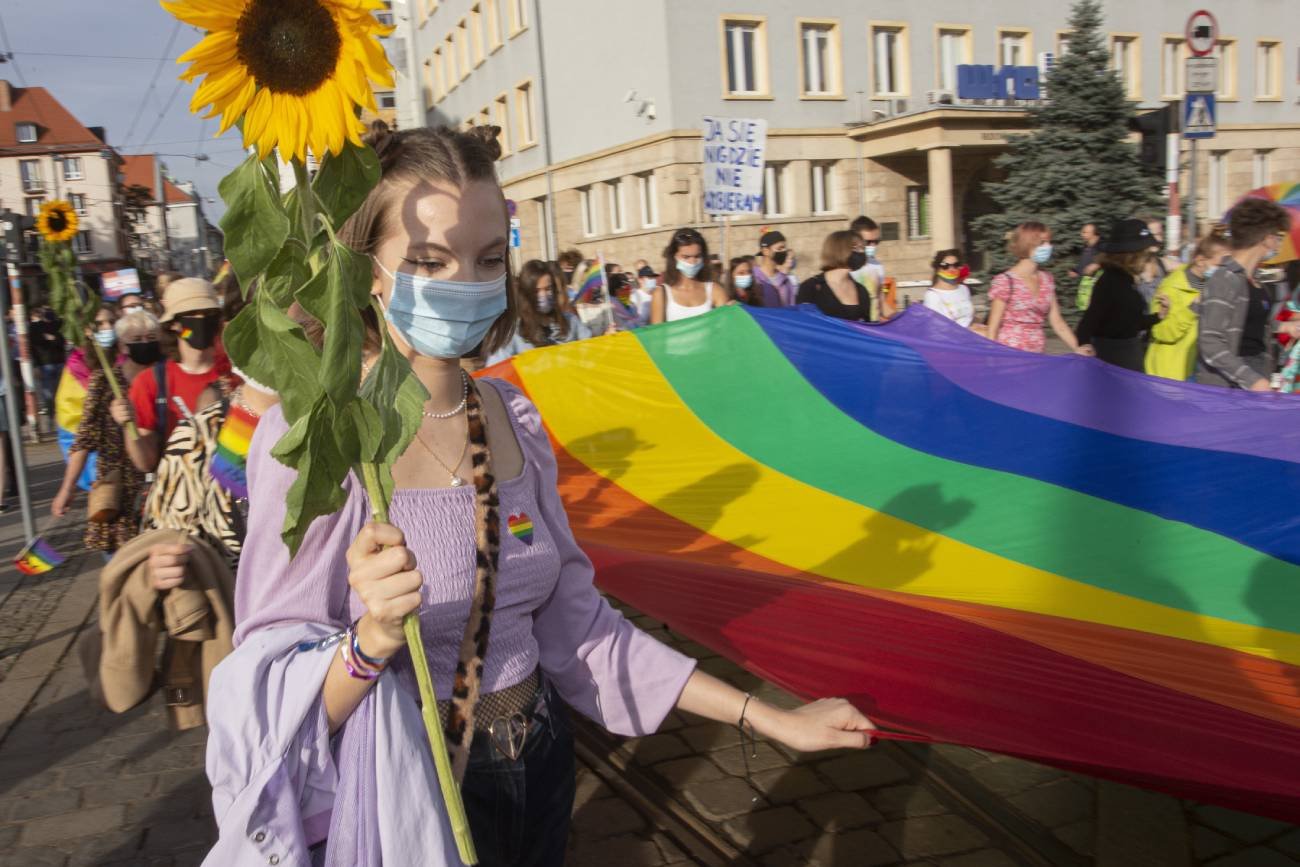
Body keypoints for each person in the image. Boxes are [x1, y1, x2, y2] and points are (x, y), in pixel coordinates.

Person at [206, 124, 876, 866]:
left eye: (488, 258)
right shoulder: (316, 441)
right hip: (415, 789)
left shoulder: (512, 418)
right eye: (429, 260)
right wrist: (371, 643)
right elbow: (267, 702)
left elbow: (581, 627)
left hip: (542, 760)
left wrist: (770, 717)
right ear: (365, 268)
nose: (464, 283)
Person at [51, 308, 160, 552]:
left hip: (162, 486)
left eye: (151, 338)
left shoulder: (165, 377)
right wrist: (66, 489)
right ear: (123, 347)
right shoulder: (105, 381)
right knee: (121, 565)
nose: (145, 344)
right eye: (137, 340)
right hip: (120, 489)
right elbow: (85, 438)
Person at [111, 277, 231, 474]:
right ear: (175, 324)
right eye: (191, 314)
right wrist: (128, 425)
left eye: (209, 314)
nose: (201, 320)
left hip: (235, 494)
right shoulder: (150, 383)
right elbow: (146, 463)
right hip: (182, 498)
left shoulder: (240, 377)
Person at [1197, 198, 1293, 390]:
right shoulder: (1224, 279)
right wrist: (1252, 380)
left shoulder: (1255, 281)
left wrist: (1282, 327)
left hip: (1256, 376)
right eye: (1278, 236)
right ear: (1266, 238)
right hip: (1229, 387)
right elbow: (1210, 342)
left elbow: (1247, 322)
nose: (1278, 244)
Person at [986, 222, 1092, 356]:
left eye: (1048, 242)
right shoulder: (1006, 281)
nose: (1048, 247)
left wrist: (1077, 347)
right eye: (1042, 243)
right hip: (1009, 355)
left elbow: (1057, 322)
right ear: (1027, 243)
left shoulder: (1047, 280)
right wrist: (991, 359)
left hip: (1037, 354)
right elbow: (993, 328)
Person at [1074, 219, 1167, 371]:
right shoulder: (1111, 281)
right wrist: (1083, 345)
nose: (1147, 259)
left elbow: (1131, 322)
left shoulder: (1127, 280)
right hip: (1112, 362)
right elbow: (1089, 321)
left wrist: (1158, 317)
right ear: (1132, 256)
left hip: (1128, 357)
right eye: (1145, 254)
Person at [1144, 231, 1230, 381]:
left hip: (1194, 371)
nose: (1222, 271)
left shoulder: (1211, 287)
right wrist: (1193, 307)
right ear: (1200, 260)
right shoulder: (1171, 287)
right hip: (1168, 374)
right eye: (1218, 265)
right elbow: (1162, 332)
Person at [486, 259, 592, 364]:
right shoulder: (511, 332)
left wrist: (606, 339)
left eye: (547, 289)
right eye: (536, 291)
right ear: (526, 294)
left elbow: (592, 352)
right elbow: (496, 372)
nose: (543, 295)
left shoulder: (571, 321)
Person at [650, 228, 730, 323]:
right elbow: (656, 335)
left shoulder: (715, 291)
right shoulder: (661, 294)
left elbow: (725, 328)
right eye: (686, 257)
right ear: (674, 257)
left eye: (697, 256)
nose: (692, 262)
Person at [796, 231, 872, 322]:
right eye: (855, 247)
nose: (861, 252)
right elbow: (803, 325)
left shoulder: (861, 290)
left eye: (862, 248)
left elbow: (868, 328)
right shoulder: (810, 288)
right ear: (838, 250)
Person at [29, 307, 66, 419]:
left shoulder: (59, 324)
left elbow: (62, 341)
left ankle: (60, 412)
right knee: (48, 392)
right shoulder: (35, 327)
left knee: (61, 389)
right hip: (45, 363)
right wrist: (35, 365)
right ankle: (51, 413)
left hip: (59, 361)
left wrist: (52, 338)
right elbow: (34, 346)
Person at [923, 249, 974, 328]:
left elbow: (968, 318)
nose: (951, 269)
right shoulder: (932, 295)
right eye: (945, 266)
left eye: (956, 265)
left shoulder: (963, 289)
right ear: (937, 269)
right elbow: (937, 327)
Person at [752, 229, 798, 307]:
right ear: (766, 251)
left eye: (784, 248)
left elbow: (791, 308)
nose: (784, 252)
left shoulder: (786, 280)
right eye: (779, 248)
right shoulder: (754, 278)